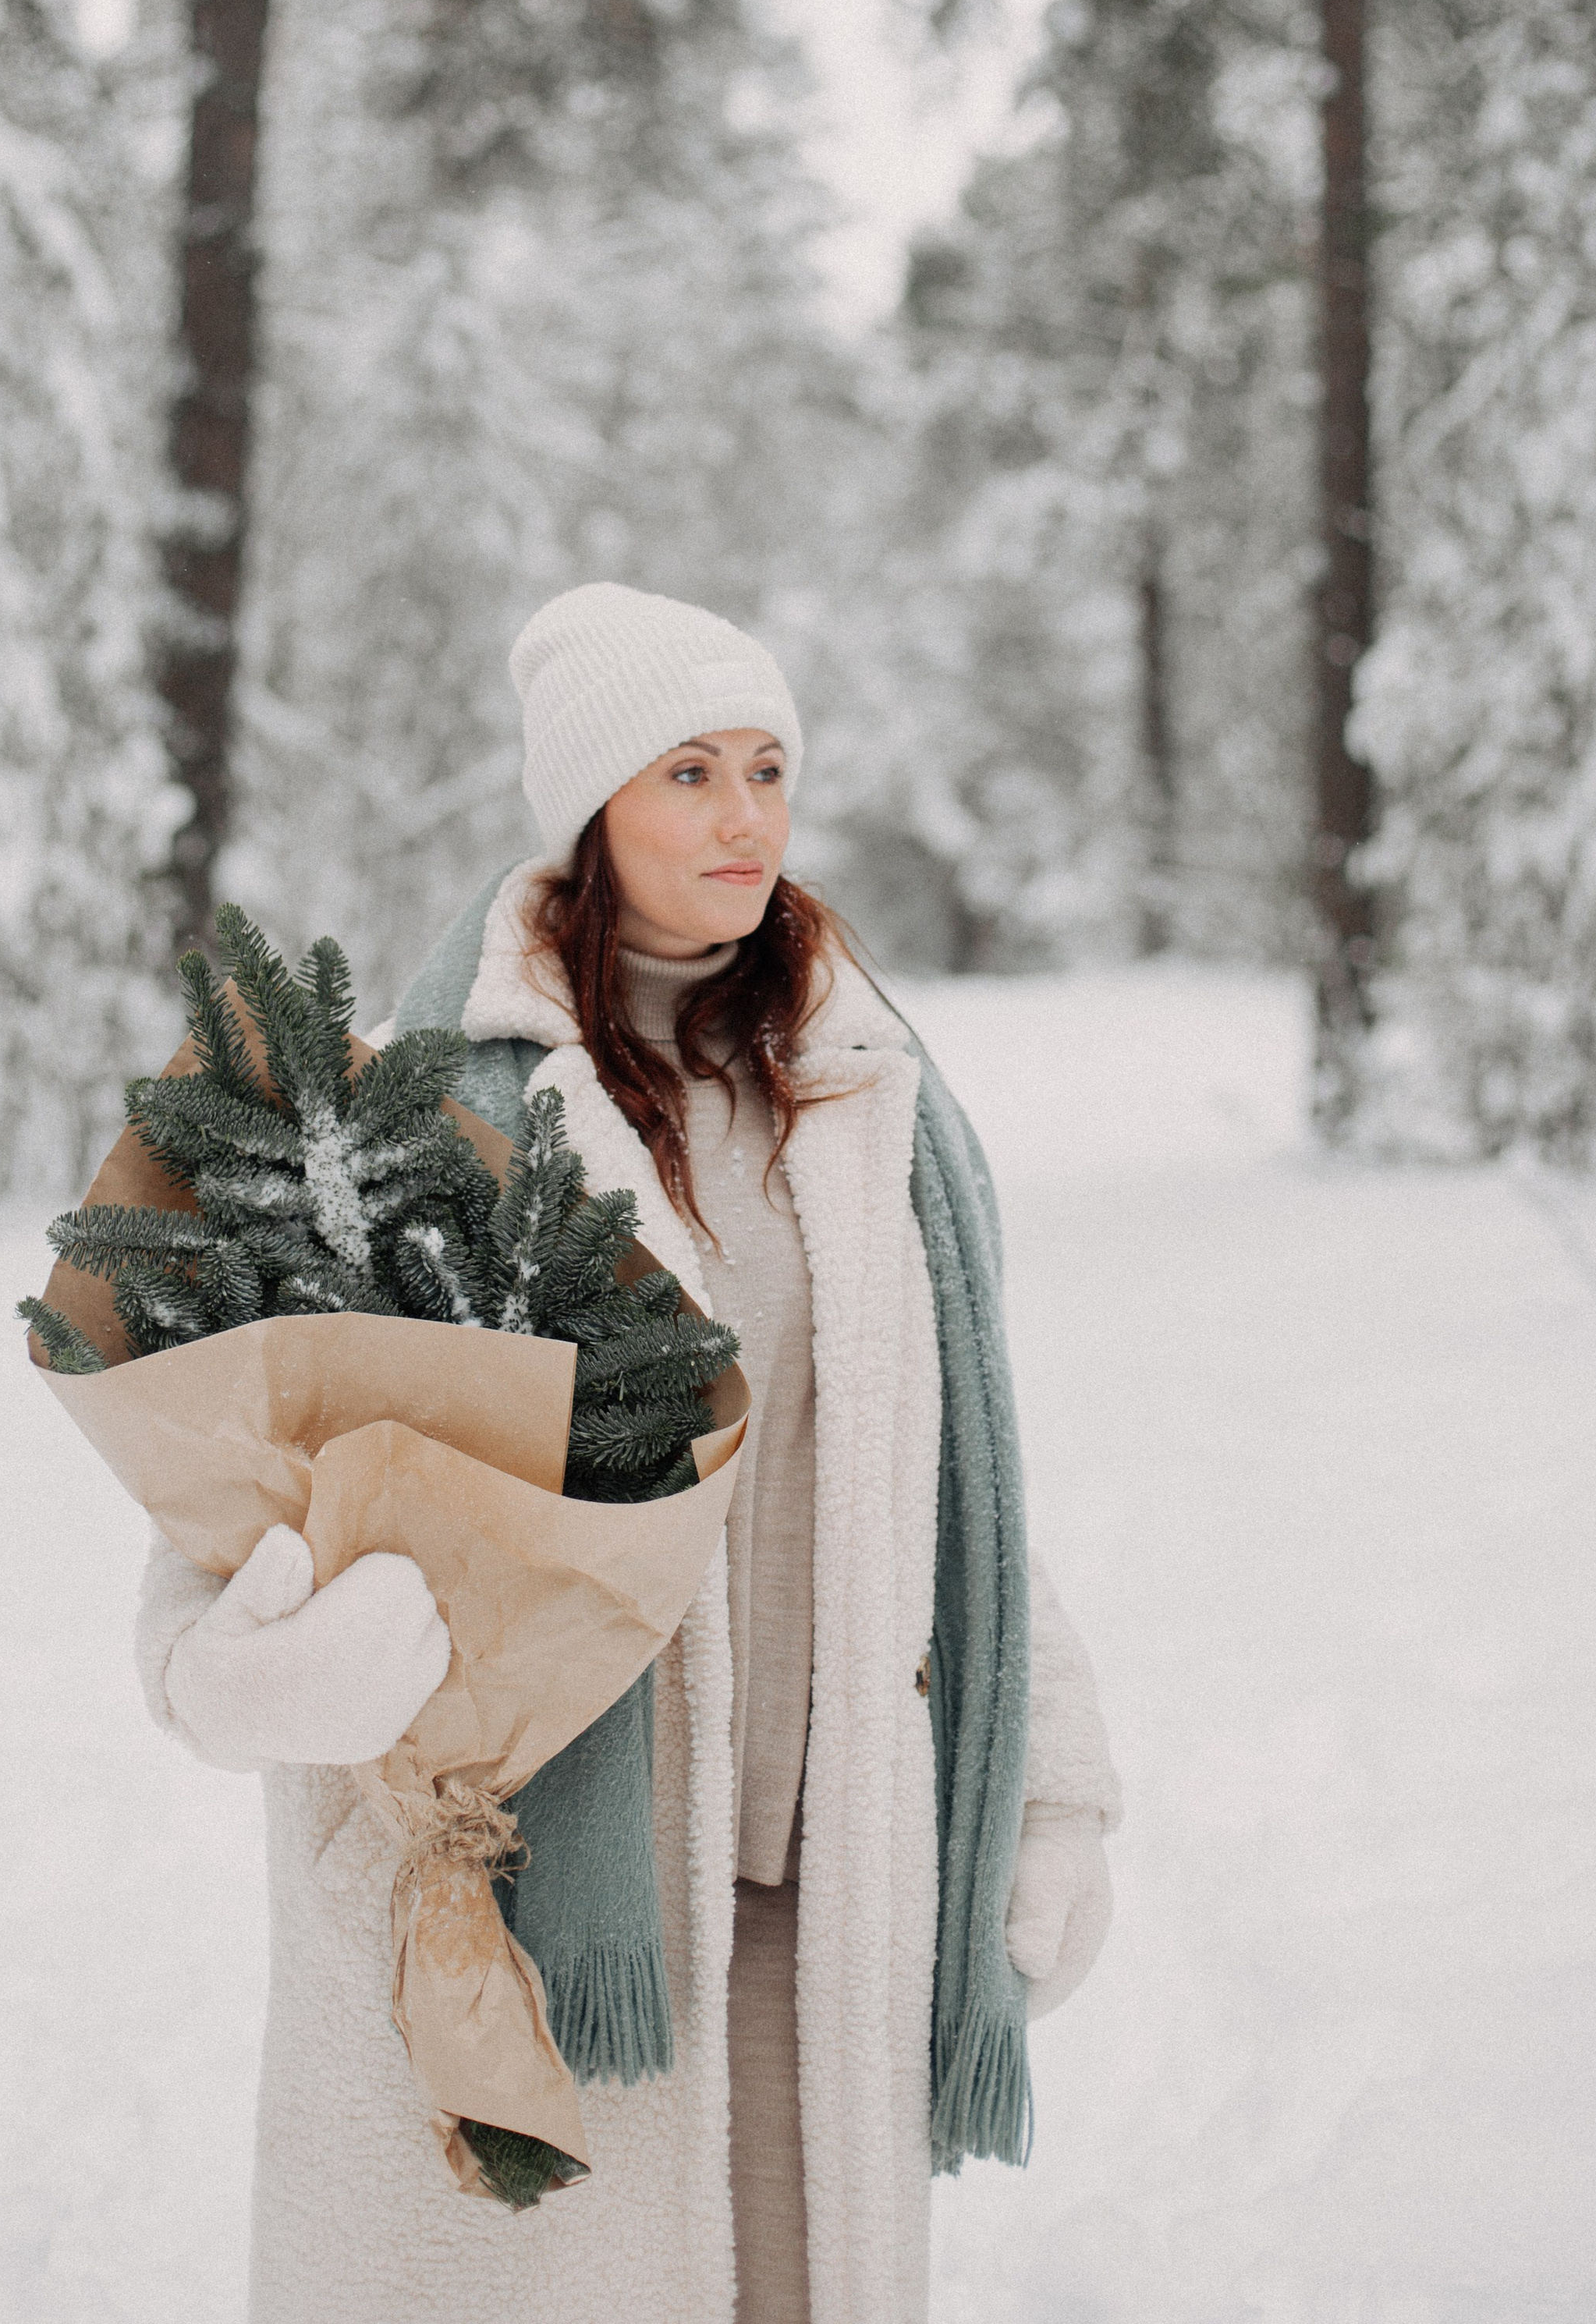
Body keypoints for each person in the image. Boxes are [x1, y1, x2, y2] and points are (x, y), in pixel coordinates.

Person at [136, 581, 1121, 2324]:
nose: (745, 817)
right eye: (688, 774)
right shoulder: (435, 1097)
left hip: (806, 1877)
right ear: (591, 810)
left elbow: (941, 1473)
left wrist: (1051, 1793)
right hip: (517, 1884)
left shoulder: (860, 1081)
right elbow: (261, 1439)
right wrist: (234, 1663)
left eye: (766, 767)